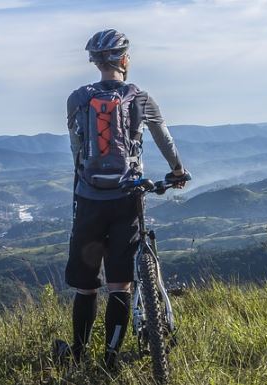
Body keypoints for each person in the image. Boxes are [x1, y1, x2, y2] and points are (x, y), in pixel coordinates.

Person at [54, 28, 189, 369]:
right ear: (125, 59)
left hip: (88, 198)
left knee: (85, 288)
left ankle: (78, 355)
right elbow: (164, 139)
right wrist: (177, 171)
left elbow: (76, 150)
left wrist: (85, 182)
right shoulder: (140, 98)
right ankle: (111, 359)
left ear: (95, 62)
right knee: (120, 285)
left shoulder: (77, 99)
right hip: (127, 197)